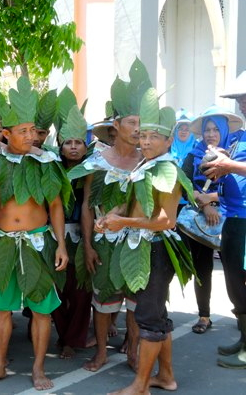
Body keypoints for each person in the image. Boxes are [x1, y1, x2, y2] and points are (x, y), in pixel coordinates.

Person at [0, 76, 69, 391]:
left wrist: (62, 246)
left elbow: (56, 206)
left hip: (38, 243)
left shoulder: (47, 162)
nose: (31, 137)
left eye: (34, 131)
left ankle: (39, 369)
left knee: (42, 310)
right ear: (6, 134)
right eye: (23, 131)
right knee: (0, 308)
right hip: (2, 243)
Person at [101, 87, 194, 395]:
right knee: (157, 315)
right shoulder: (145, 165)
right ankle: (165, 376)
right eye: (143, 135)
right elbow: (132, 204)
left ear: (169, 140)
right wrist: (111, 216)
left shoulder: (168, 169)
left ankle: (140, 386)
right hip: (142, 245)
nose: (147, 141)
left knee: (148, 318)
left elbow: (166, 221)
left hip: (156, 249)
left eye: (155, 136)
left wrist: (124, 222)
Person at [69, 60, 150, 372]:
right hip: (105, 241)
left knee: (136, 301)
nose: (139, 129)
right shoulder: (98, 161)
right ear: (116, 125)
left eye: (143, 123)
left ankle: (133, 350)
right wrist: (88, 246)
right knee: (103, 300)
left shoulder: (148, 161)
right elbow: (88, 206)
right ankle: (102, 351)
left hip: (138, 240)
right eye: (132, 122)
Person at [181, 107, 242, 335]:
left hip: (233, 218)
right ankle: (204, 315)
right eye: (207, 129)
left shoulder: (234, 155)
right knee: (202, 268)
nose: (211, 134)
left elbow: (239, 186)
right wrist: (205, 204)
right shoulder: (193, 155)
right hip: (200, 219)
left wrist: (214, 198)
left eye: (216, 129)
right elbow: (184, 184)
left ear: (224, 131)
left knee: (236, 270)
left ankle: (241, 317)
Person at [203, 80, 246, 369]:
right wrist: (217, 171)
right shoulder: (238, 137)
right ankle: (244, 338)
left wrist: (228, 166)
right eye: (241, 99)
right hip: (233, 218)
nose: (242, 103)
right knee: (235, 283)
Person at [51, 104, 95, 359]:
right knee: (57, 289)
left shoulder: (91, 170)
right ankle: (64, 336)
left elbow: (89, 205)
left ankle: (72, 339)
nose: (74, 147)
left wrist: (88, 243)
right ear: (60, 145)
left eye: (79, 142)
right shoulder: (51, 167)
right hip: (53, 235)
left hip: (81, 233)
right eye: (69, 142)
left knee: (80, 291)